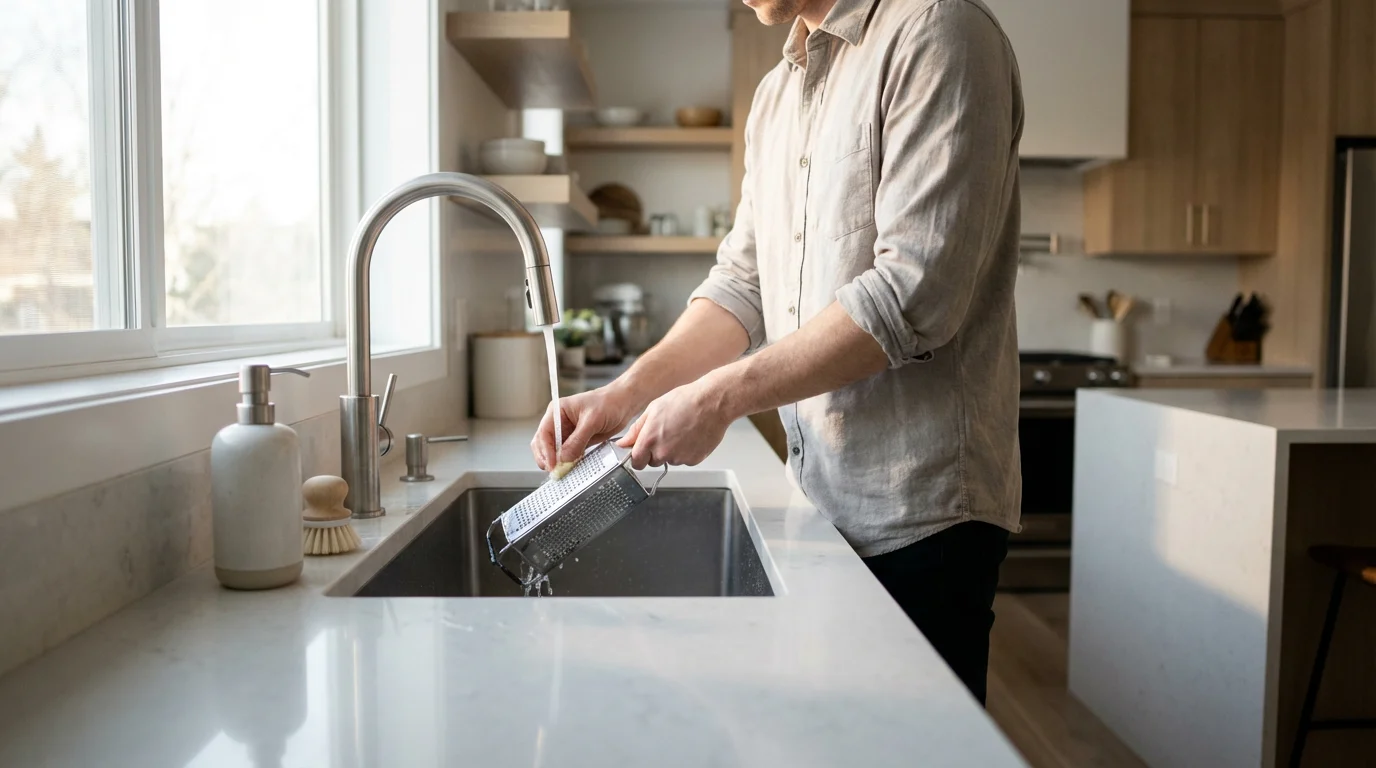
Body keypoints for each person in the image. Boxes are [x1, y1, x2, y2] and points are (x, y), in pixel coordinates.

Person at [532, 0, 1022, 706]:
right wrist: (624, 395)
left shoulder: (938, 33)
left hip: (922, 511)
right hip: (818, 496)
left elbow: (914, 293)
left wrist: (720, 397)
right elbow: (742, 285)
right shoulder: (777, 93)